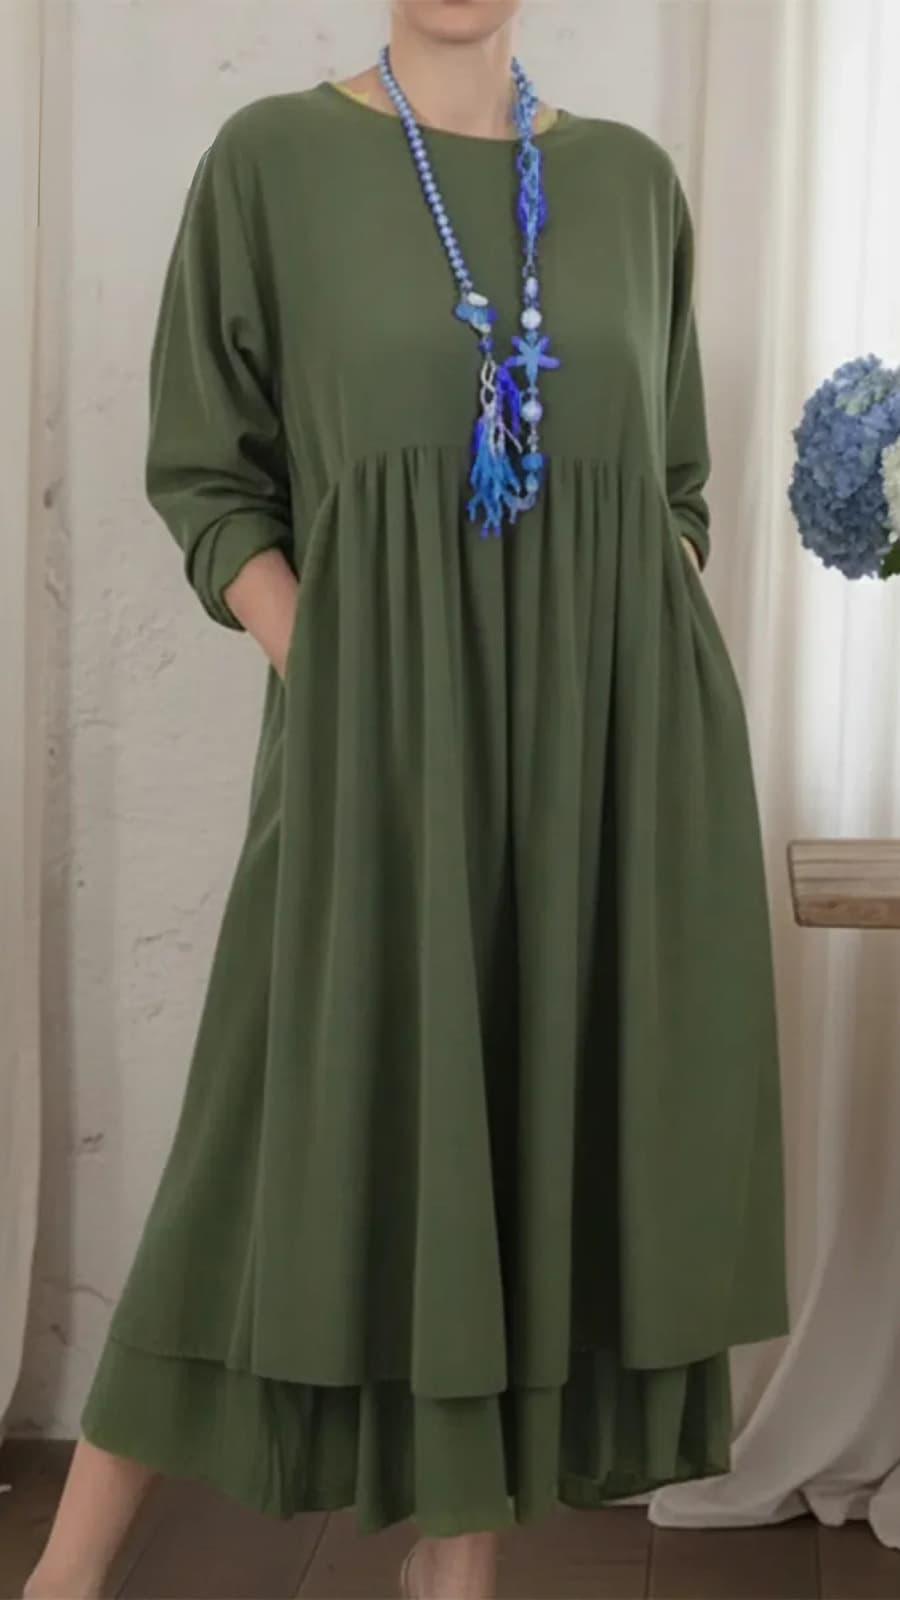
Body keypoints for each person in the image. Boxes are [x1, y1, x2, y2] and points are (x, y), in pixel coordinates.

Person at [24, 2, 789, 1597]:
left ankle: (460, 1576)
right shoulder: (271, 164)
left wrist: (626, 675)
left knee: (521, 1132)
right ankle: (63, 1580)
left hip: (606, 765)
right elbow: (207, 472)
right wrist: (329, 668)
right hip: (371, 751)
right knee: (254, 1149)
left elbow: (676, 488)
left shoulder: (634, 186)